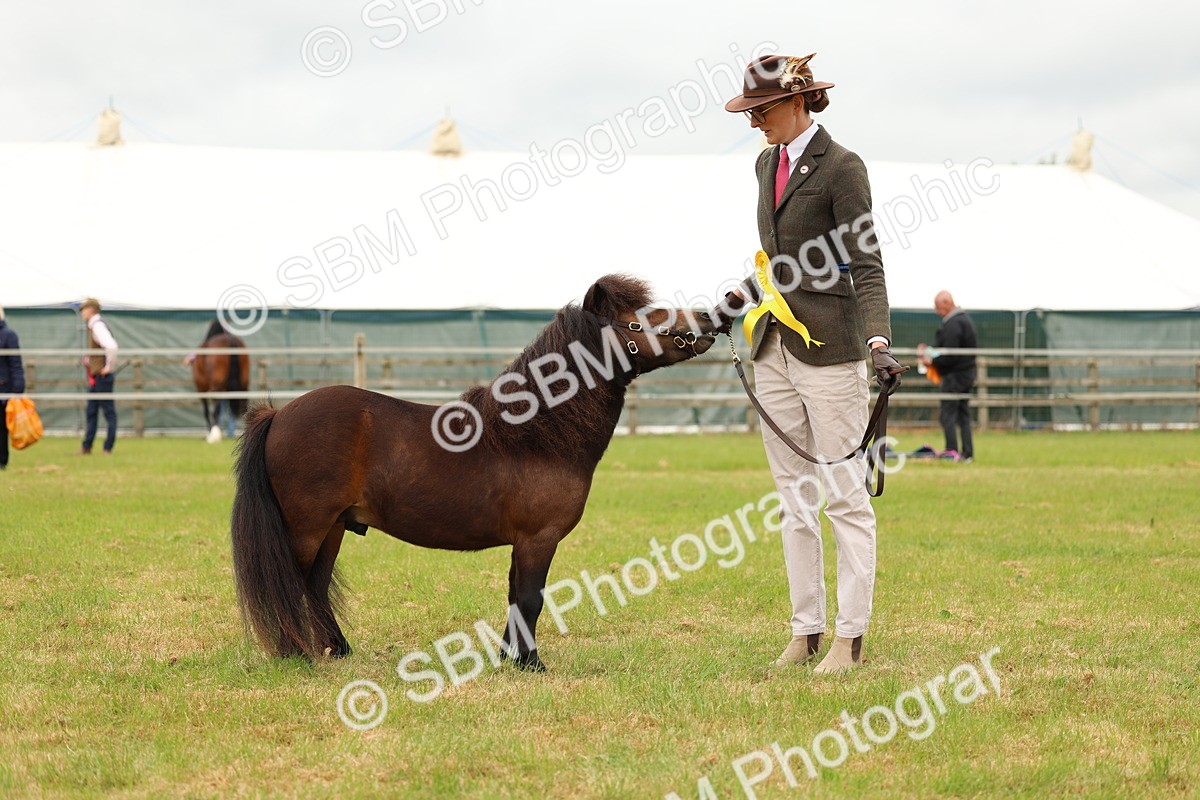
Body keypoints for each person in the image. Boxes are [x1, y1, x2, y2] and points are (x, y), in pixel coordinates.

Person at [712, 53, 905, 674]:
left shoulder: (844, 168)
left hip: (831, 349)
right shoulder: (766, 162)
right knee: (793, 498)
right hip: (773, 346)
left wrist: (878, 341)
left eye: (761, 111)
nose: (754, 123)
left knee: (844, 496)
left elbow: (867, 262)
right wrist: (740, 296)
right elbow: (778, 259)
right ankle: (806, 630)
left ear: (798, 101)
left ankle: (851, 637)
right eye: (749, 112)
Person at [919, 291, 977, 462]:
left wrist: (932, 361)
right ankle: (967, 454)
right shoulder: (963, 320)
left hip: (955, 376)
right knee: (963, 415)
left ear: (946, 303)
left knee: (948, 414)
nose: (937, 311)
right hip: (966, 374)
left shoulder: (954, 323)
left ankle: (952, 452)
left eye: (938, 307)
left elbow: (950, 354)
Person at [79, 298, 119, 455]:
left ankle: (107, 448)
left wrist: (108, 367)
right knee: (91, 412)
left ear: (91, 309)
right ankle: (87, 446)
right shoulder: (93, 327)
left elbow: (111, 347)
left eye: (84, 309)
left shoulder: (97, 326)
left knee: (108, 413)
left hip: (102, 378)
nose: (82, 312)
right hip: (96, 378)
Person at [0, 307, 26, 470]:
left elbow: (15, 363)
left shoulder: (8, 335)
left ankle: (2, 460)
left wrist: (17, 389)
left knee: (1, 427)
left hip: (3, 388)